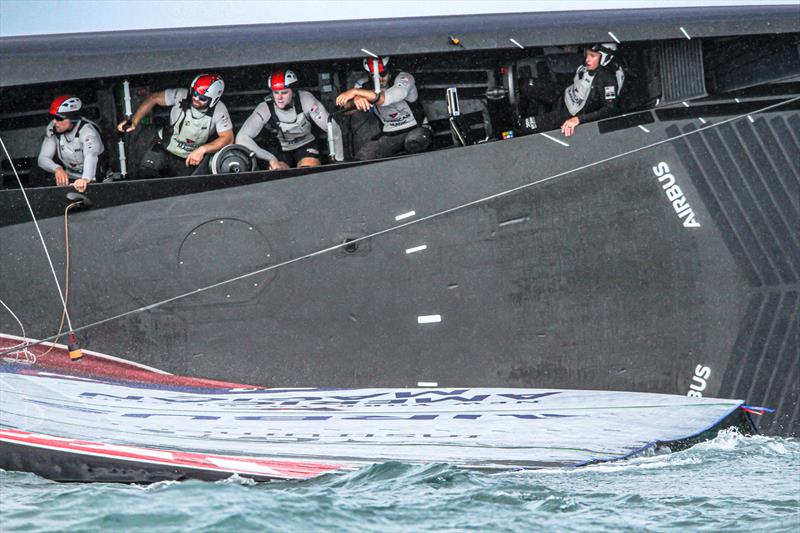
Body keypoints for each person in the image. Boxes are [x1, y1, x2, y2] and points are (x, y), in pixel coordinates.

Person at [117, 74, 233, 178]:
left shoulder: (219, 110)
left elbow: (228, 138)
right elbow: (154, 98)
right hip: (163, 146)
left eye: (202, 98)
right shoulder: (181, 95)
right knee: (145, 175)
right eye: (195, 94)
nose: (196, 99)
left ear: (214, 100)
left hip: (188, 158)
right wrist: (135, 120)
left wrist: (203, 150)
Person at [236, 69, 343, 169]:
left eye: (284, 92)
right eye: (276, 93)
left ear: (293, 91)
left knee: (309, 172)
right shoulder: (265, 108)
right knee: (278, 175)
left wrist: (338, 162)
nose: (279, 97)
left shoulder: (306, 99)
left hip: (306, 143)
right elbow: (241, 138)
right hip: (280, 148)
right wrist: (270, 158)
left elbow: (333, 128)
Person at [335, 56, 431, 160]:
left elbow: (387, 98)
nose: (379, 78)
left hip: (417, 128)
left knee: (414, 144)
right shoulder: (362, 84)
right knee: (363, 158)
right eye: (374, 75)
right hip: (389, 134)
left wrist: (356, 92)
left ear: (389, 71)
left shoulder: (404, 78)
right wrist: (355, 101)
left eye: (382, 74)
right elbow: (345, 111)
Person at [520, 43, 625, 137]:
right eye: (587, 54)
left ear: (605, 58)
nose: (587, 59)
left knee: (524, 125)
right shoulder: (587, 66)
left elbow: (610, 109)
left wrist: (579, 120)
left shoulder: (608, 79)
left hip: (570, 114)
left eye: (592, 56)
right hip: (565, 94)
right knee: (525, 84)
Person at [37, 95, 105, 192]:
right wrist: (57, 169)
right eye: (52, 117)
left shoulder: (87, 131)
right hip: (70, 178)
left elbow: (91, 155)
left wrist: (85, 179)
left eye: (59, 118)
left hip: (95, 178)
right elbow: (42, 159)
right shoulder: (53, 128)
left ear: (72, 118)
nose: (55, 122)